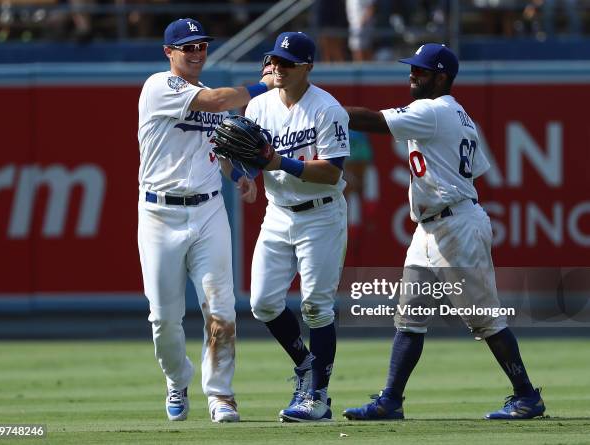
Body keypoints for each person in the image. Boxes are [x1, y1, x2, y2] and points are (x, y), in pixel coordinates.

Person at [341, 43, 546, 420]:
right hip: (432, 227)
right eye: (412, 69)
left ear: (441, 77)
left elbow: (370, 120)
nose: (412, 75)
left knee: (484, 318)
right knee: (409, 317)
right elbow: (475, 168)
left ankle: (526, 395)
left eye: (420, 71)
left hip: (455, 226)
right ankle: (391, 400)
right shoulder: (461, 114)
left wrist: (322, 109)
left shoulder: (432, 109)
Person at [137, 17, 272, 423]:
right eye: (188, 47)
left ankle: (221, 395)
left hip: (209, 209)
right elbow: (215, 103)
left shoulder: (206, 94)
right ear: (169, 53)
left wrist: (239, 177)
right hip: (160, 213)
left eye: (202, 46)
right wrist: (267, 85)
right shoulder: (159, 86)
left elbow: (217, 148)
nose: (197, 53)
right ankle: (177, 380)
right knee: (163, 317)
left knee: (222, 309)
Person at [245, 32, 350, 422]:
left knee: (317, 308)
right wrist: (235, 165)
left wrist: (281, 164)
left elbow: (332, 171)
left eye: (288, 63)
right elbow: (249, 161)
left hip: (321, 213)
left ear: (308, 66)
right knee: (263, 303)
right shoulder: (258, 106)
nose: (279, 68)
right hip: (278, 212)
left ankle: (317, 397)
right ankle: (307, 366)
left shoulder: (327, 108)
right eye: (275, 61)